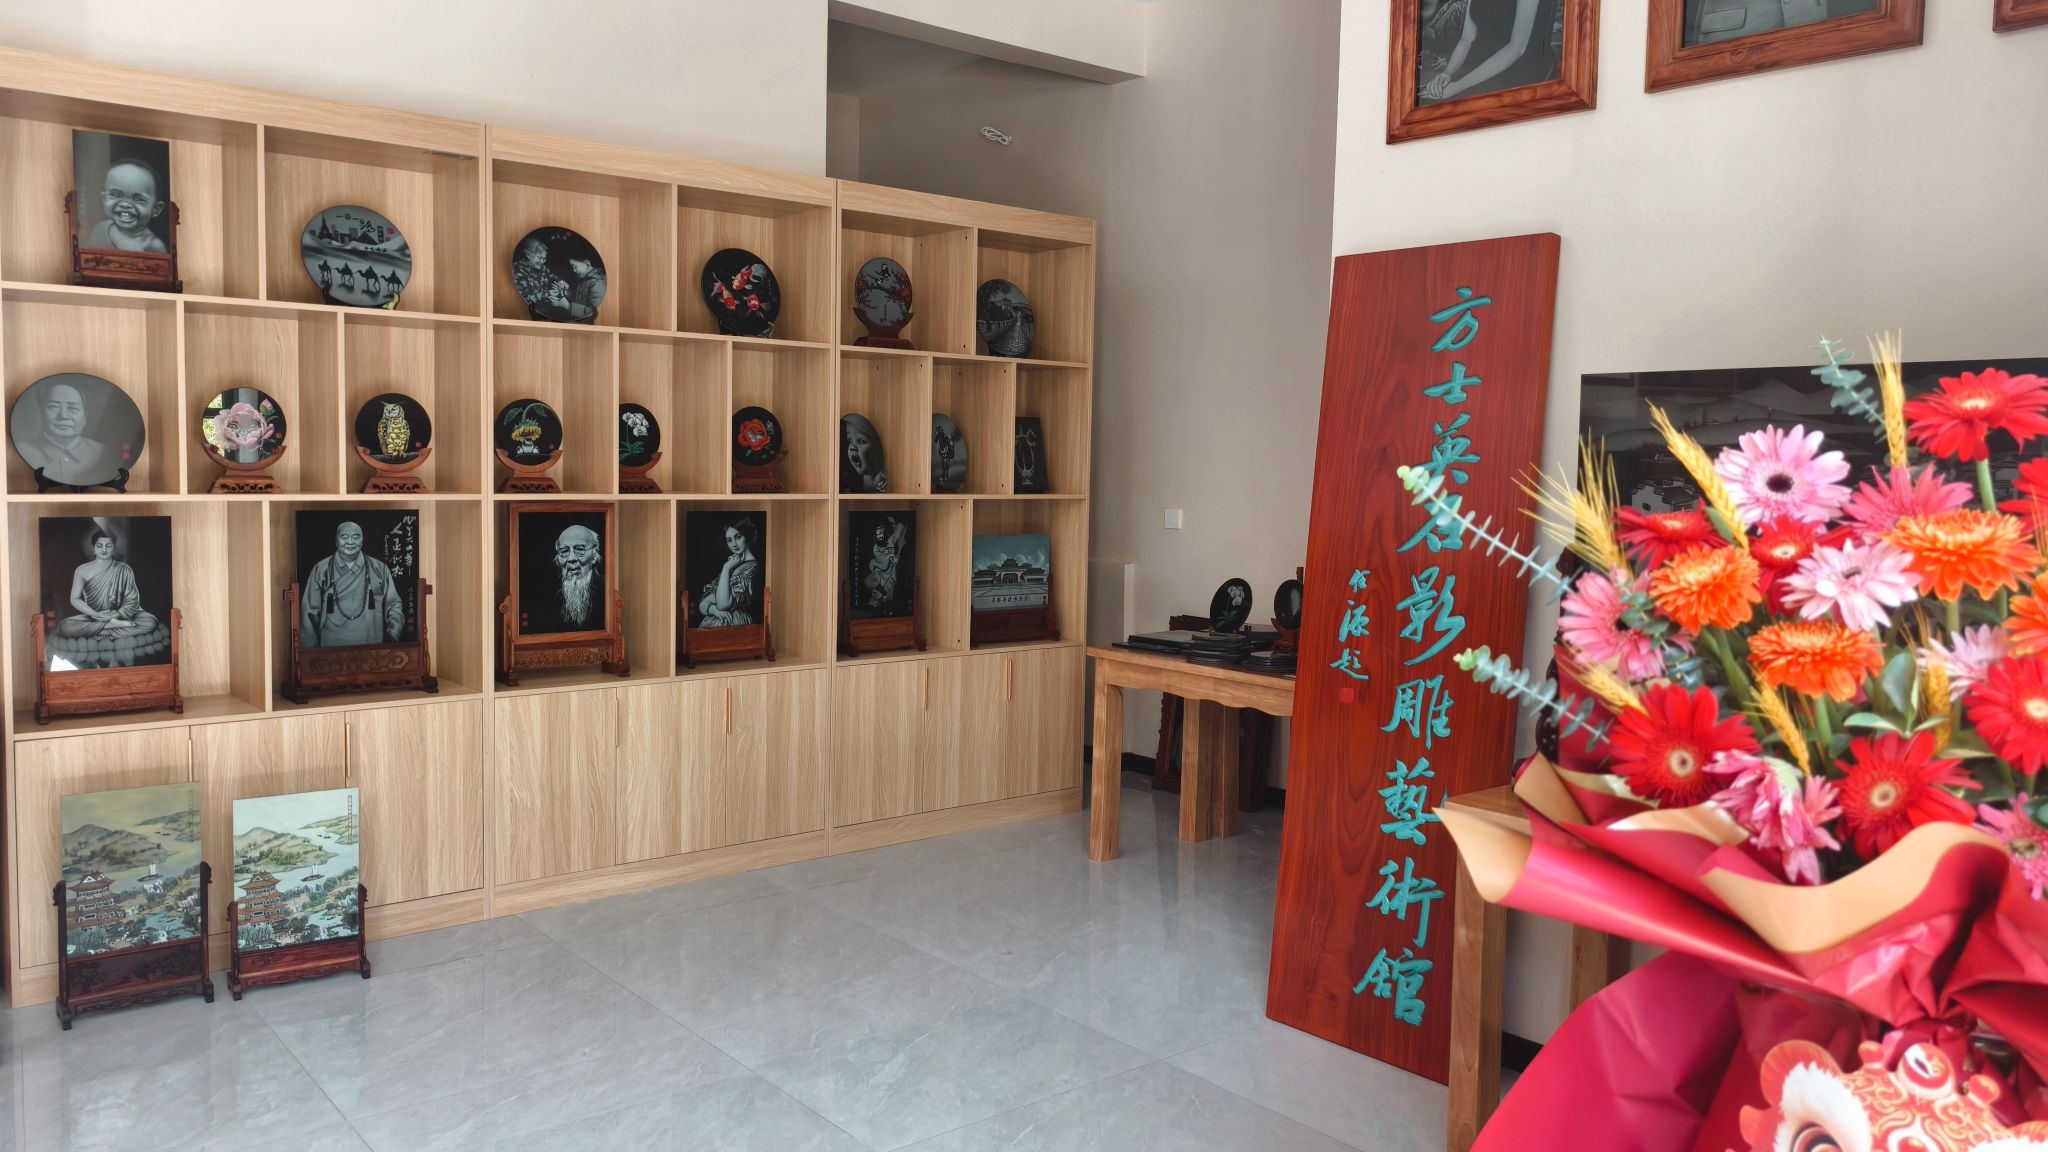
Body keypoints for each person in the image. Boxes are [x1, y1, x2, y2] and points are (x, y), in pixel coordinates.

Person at [1418, 0, 1561, 105]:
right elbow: (1467, 39)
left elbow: (1517, 48)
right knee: (1427, 99)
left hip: (1515, 69)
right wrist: (1447, 74)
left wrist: (1457, 87)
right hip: (1481, 60)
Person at [301, 521, 405, 647]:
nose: (350, 542)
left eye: (355, 537)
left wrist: (393, 637)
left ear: (362, 541)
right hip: (330, 651)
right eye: (344, 537)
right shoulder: (321, 569)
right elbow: (309, 614)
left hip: (373, 649)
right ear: (336, 541)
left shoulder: (379, 569)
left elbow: (394, 605)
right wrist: (311, 652)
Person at [54, 527, 158, 640]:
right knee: (65, 626)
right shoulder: (82, 570)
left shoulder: (124, 569)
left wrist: (117, 614)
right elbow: (75, 599)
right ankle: (110, 626)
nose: (104, 549)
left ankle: (103, 628)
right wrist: (95, 614)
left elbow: (132, 600)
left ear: (114, 549)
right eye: (99, 546)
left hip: (119, 616)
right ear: (93, 549)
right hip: (94, 617)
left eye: (108, 546)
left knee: (150, 621)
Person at [17, 381, 110, 485]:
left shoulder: (102, 453)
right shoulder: (22, 451)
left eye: (73, 408)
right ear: (40, 413)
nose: (63, 415)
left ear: (85, 417)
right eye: (53, 407)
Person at [85, 159, 168, 253]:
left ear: (156, 209)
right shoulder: (101, 228)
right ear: (104, 199)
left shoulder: (153, 246)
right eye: (116, 195)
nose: (125, 205)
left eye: (138, 199)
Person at [696, 519, 760, 627]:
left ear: (747, 536)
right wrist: (715, 611)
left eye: (738, 537)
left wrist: (726, 568)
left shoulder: (752, 568)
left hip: (735, 623)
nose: (734, 544)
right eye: (729, 540)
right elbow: (703, 604)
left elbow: (723, 604)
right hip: (717, 622)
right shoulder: (733, 565)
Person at [552, 523, 602, 630]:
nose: (571, 558)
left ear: (594, 555)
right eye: (564, 551)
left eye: (579, 549)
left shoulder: (606, 591)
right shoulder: (552, 597)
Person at [563, 254, 606, 322]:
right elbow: (582, 298)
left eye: (574, 267)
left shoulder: (597, 283)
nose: (574, 270)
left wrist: (568, 306)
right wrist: (566, 292)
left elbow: (593, 313)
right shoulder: (585, 280)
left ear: (587, 264)